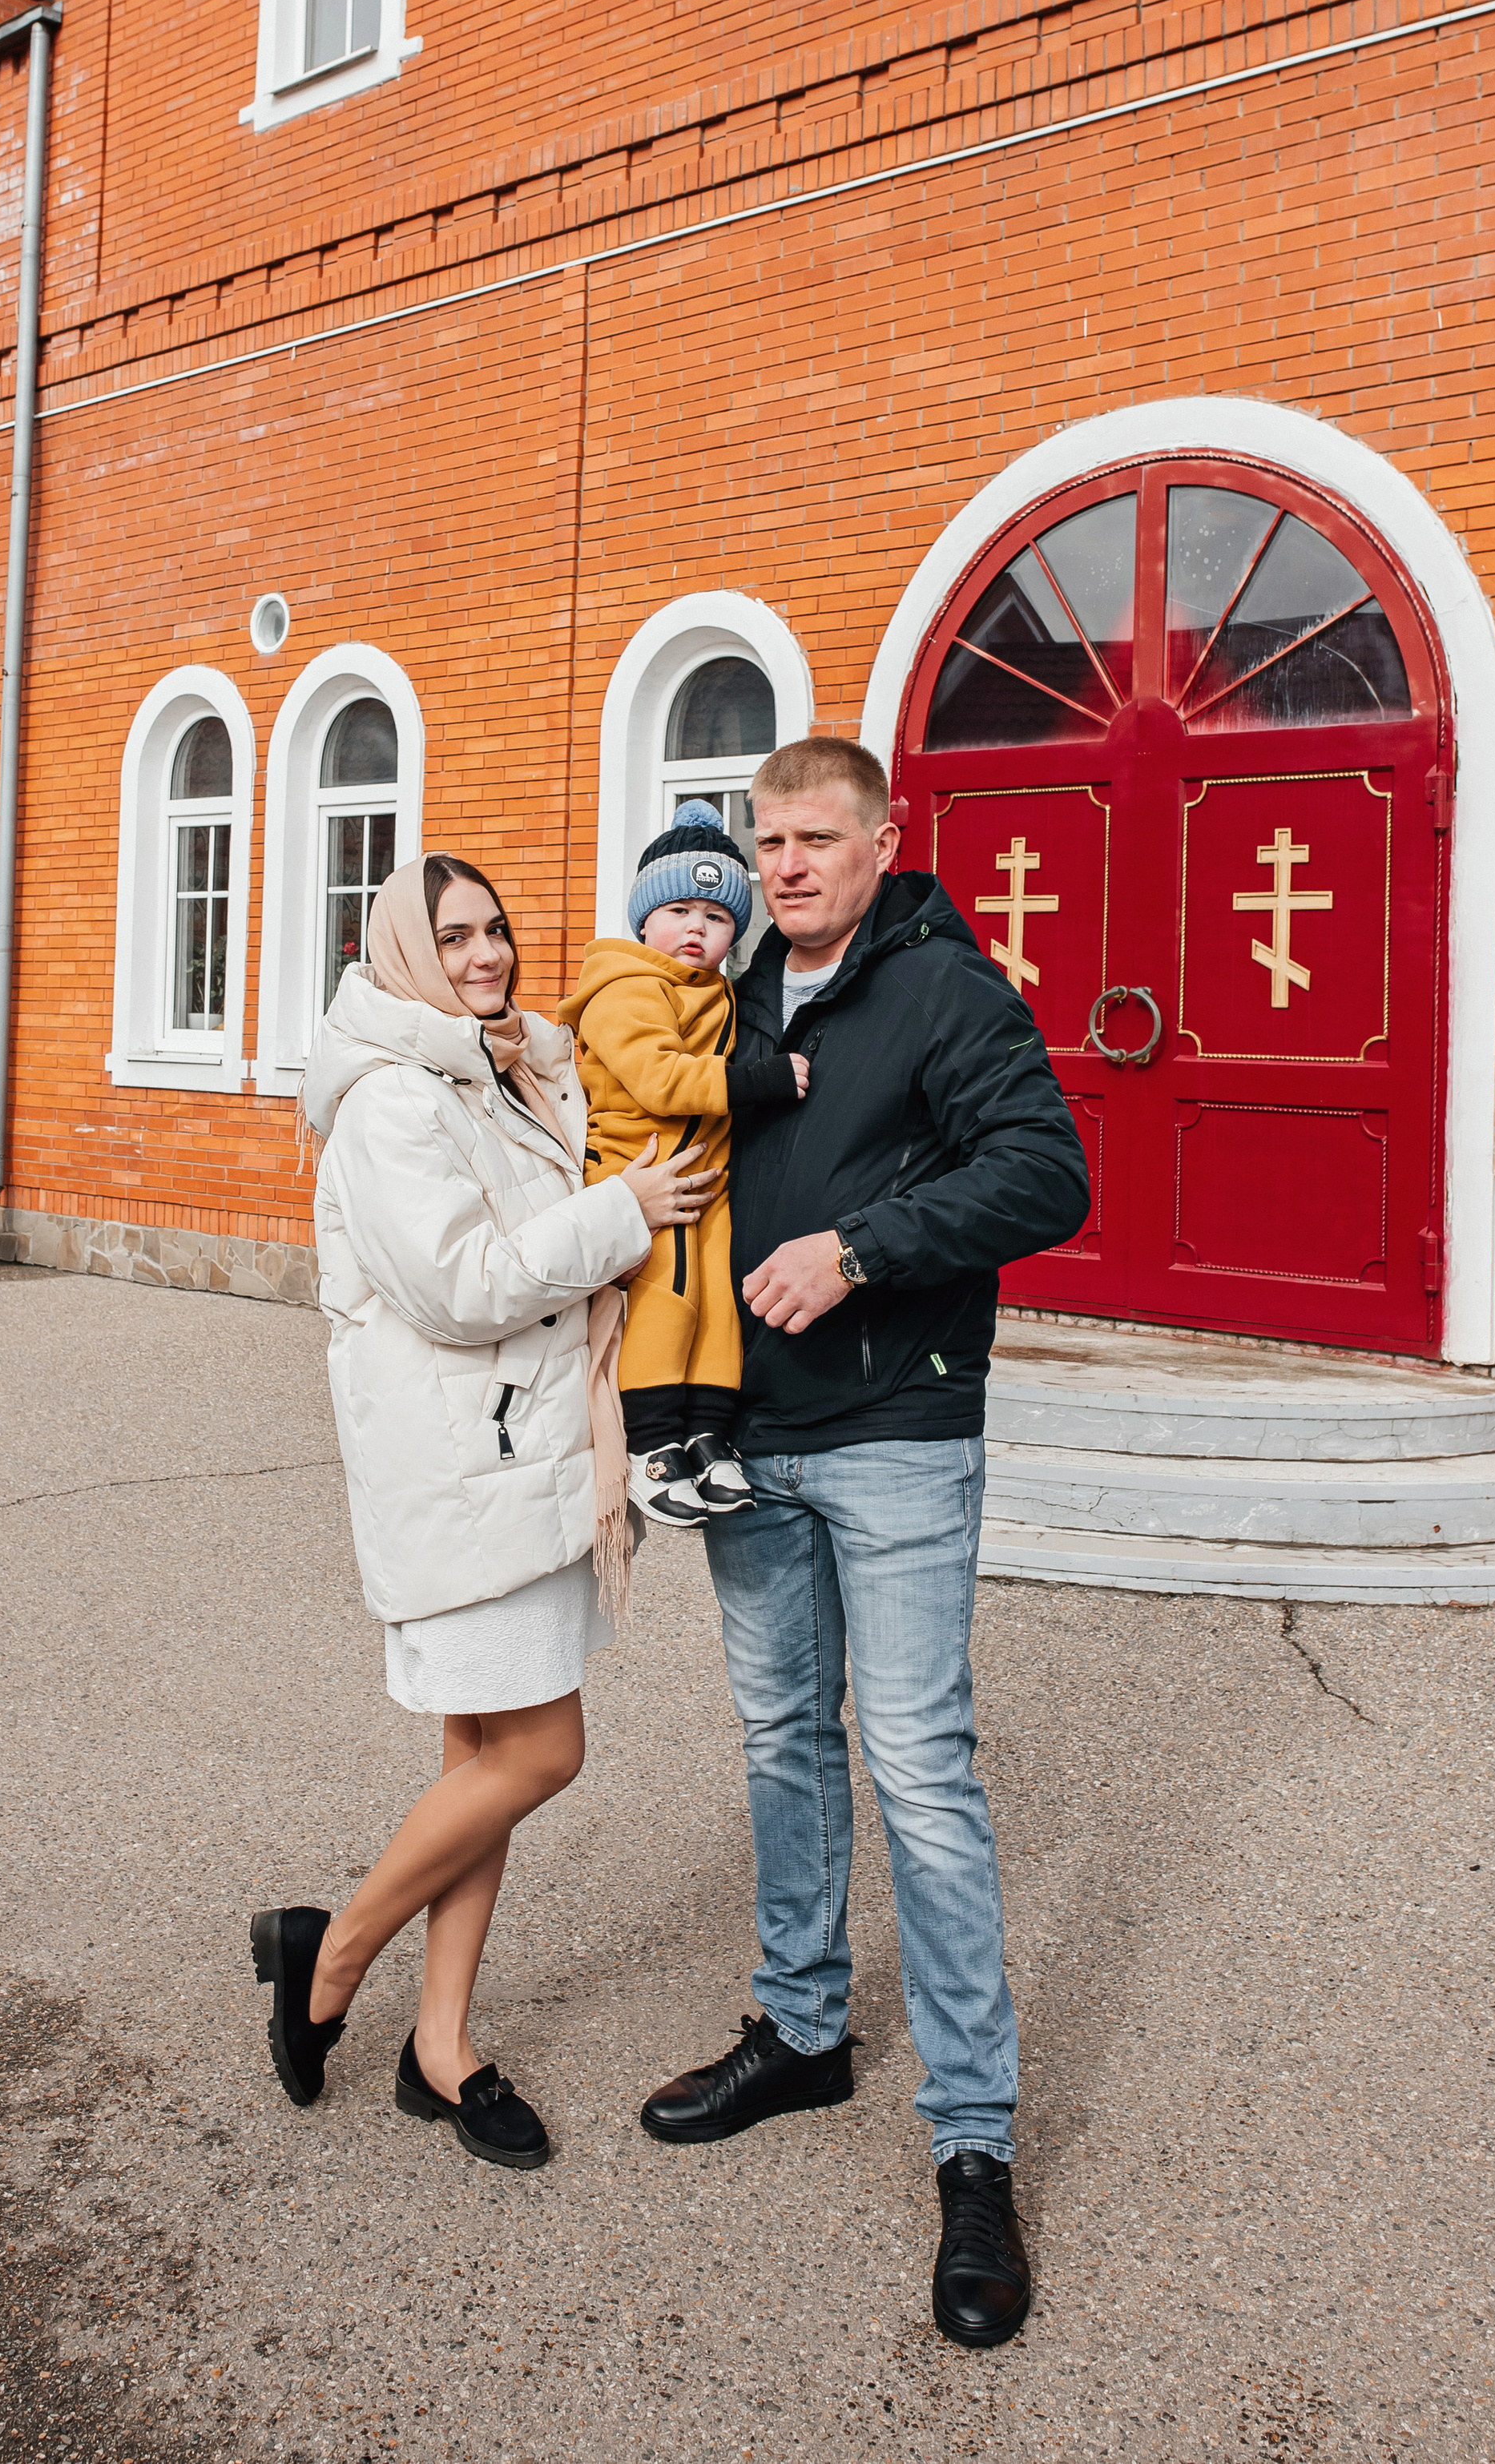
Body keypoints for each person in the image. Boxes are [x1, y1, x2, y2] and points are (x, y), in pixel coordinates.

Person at [637, 738, 1089, 2350]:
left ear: (885, 838)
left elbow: (1046, 1173)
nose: (785, 866)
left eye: (815, 838)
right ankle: (803, 2030)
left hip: (896, 1433)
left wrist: (862, 1248)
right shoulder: (733, 998)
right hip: (748, 1444)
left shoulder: (943, 989)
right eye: (765, 841)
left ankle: (972, 2139)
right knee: (778, 1740)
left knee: (915, 1764)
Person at [252, 852, 715, 2171]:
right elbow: (464, 1286)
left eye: (498, 928)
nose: (486, 953)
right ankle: (328, 1956)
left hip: (522, 1459)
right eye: (453, 936)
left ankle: (438, 2045)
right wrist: (620, 1212)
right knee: (542, 1750)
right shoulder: (396, 1099)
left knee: (478, 1765)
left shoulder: (503, 1065)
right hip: (467, 1474)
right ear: (403, 952)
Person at [557, 799, 808, 1528]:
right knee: (666, 1300)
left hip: (704, 1177)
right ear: (644, 921)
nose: (696, 927)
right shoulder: (627, 986)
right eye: (679, 910)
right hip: (640, 1172)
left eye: (718, 916)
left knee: (718, 1309)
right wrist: (756, 1082)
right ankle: (650, 1445)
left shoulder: (719, 995)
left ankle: (707, 1434)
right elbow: (658, 1078)